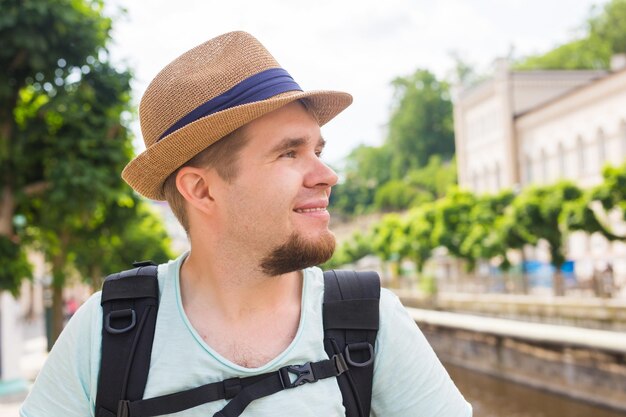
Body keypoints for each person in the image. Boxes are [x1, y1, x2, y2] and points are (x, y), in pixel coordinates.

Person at [20, 31, 471, 417]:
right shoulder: (105, 333)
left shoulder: (370, 322)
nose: (327, 175)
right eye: (289, 153)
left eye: (319, 150)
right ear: (201, 190)